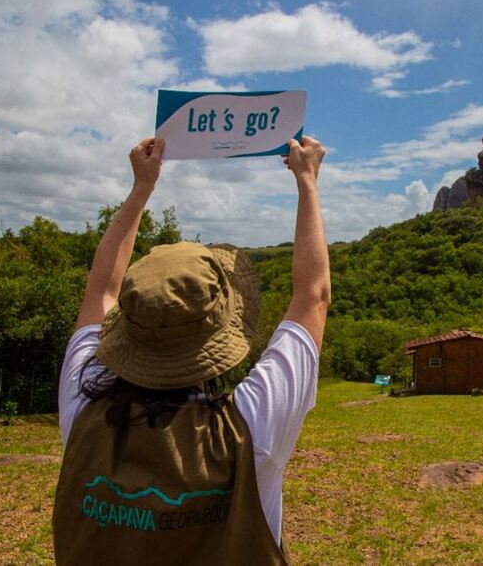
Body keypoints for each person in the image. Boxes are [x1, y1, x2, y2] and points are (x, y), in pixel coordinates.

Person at [52, 135, 330, 565]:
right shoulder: (250, 427)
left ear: (127, 327)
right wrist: (307, 181)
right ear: (217, 335)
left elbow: (100, 291)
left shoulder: (81, 406)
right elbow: (313, 296)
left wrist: (140, 188)